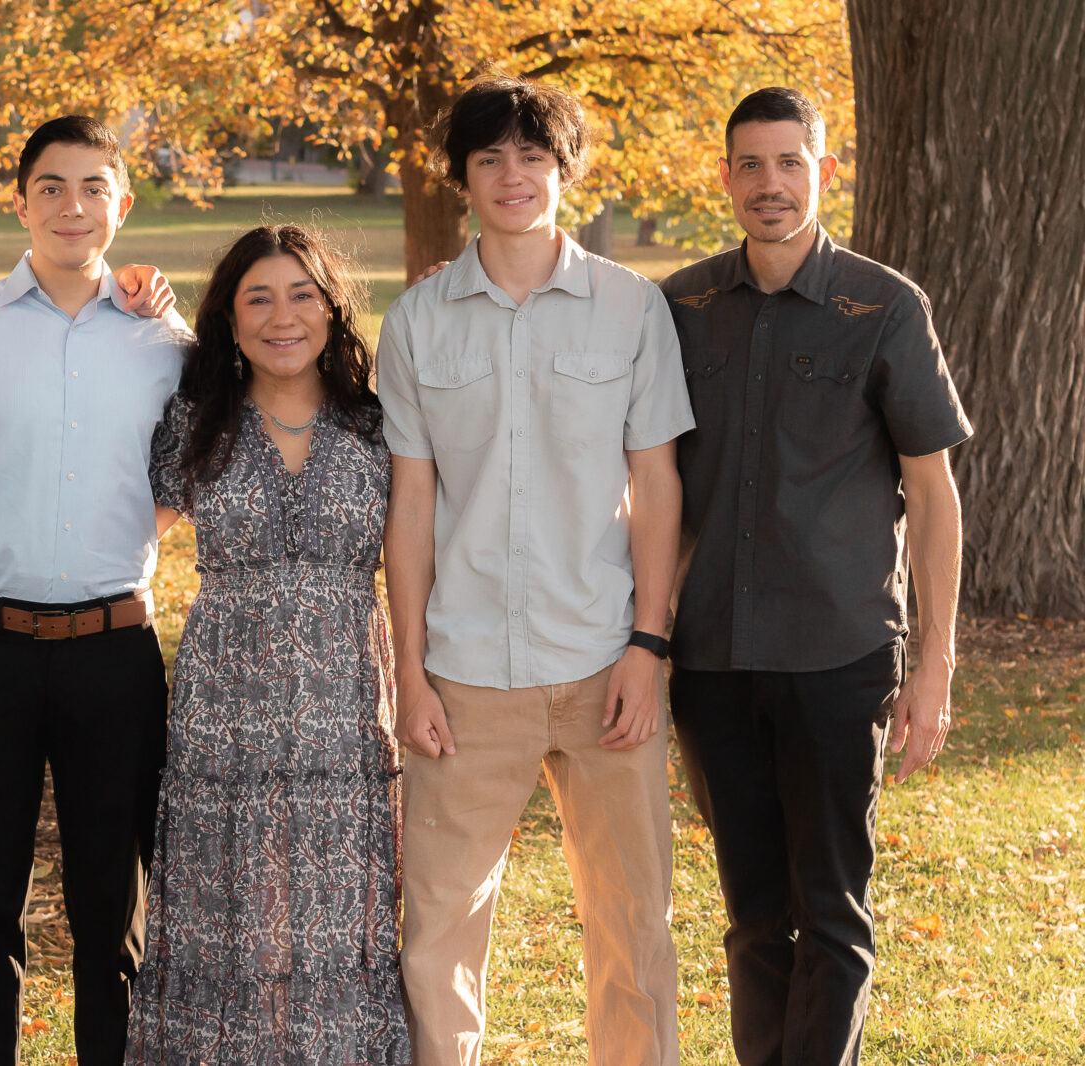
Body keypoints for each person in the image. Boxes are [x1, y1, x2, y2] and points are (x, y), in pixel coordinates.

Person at [378, 75, 693, 1066]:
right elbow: (411, 507)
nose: (512, 176)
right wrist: (411, 673)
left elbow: (656, 484)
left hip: (604, 664)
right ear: (462, 178)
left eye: (532, 155)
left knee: (634, 925)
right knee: (435, 938)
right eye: (489, 159)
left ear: (565, 169)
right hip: (464, 681)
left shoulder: (631, 308)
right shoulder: (417, 320)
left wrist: (648, 644)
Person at [660, 86, 971, 1066]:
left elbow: (933, 496)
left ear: (822, 170)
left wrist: (934, 667)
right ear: (725, 177)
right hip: (710, 659)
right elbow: (649, 484)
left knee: (830, 910)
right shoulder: (679, 307)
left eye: (789, 161)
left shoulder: (883, 307)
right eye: (749, 164)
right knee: (753, 914)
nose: (769, 183)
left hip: (837, 655)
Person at [0, 115, 187, 1066]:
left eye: (95, 187)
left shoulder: (164, 339)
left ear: (122, 203)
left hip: (115, 655)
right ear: (19, 200)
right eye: (53, 187)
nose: (74, 206)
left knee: (112, 906)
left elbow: (201, 470)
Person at [124, 225, 409, 1064]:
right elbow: (117, 538)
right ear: (230, 317)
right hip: (225, 715)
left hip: (346, 708)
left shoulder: (380, 422)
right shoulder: (195, 421)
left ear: (332, 309)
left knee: (337, 919)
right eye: (258, 298)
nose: (282, 317)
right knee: (231, 915)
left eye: (302, 296)